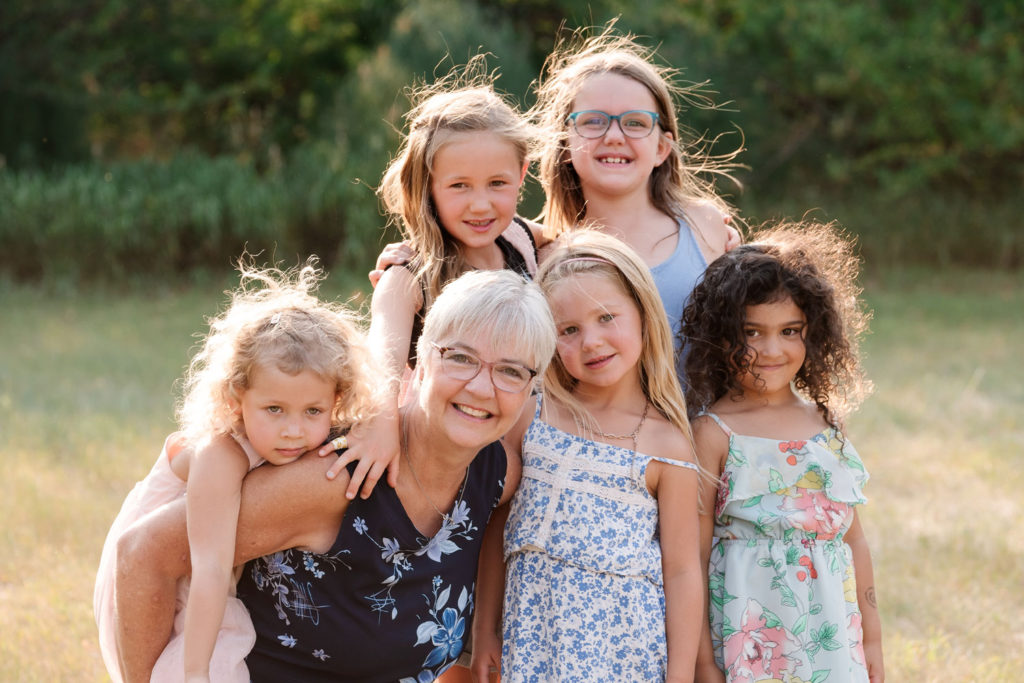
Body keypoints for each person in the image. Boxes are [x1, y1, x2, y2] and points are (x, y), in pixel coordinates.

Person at [111, 269, 557, 683]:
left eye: (510, 371)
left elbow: (496, 525)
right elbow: (144, 554)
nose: (482, 386)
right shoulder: (335, 474)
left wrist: (483, 634)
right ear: (419, 360)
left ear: (530, 390)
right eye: (460, 358)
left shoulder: (495, 478)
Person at [93, 260, 381, 683]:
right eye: (274, 410)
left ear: (336, 401)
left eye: (313, 411)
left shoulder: (310, 433)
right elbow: (208, 566)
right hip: (172, 580)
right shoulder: (221, 453)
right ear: (235, 400)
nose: (294, 431)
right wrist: (196, 673)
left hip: (211, 571)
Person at [471, 230, 705, 681]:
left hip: (628, 655)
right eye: (570, 330)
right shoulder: (531, 413)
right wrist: (485, 633)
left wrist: (681, 677)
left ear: (642, 313)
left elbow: (681, 572)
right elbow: (496, 527)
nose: (591, 342)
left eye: (606, 318)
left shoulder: (668, 446)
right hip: (535, 643)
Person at [680, 221, 884, 682]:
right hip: (747, 640)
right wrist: (702, 662)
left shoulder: (826, 425)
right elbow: (690, 559)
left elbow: (854, 541)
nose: (771, 349)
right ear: (722, 333)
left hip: (830, 636)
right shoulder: (713, 434)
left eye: (790, 330)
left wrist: (870, 640)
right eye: (752, 332)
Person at [340, 61, 544, 489]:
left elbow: (574, 244)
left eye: (497, 183)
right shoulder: (410, 274)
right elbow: (383, 356)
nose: (481, 205)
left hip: (508, 445)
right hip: (434, 458)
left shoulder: (522, 240)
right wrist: (380, 424)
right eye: (459, 186)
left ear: (523, 174)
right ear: (427, 185)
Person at [530, 23, 743, 382]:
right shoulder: (547, 256)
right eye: (594, 122)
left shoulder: (704, 227)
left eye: (635, 122)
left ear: (662, 147)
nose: (614, 136)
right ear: (565, 143)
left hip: (706, 436)